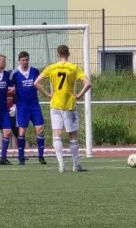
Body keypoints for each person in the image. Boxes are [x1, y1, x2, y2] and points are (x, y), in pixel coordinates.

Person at [34, 45, 92, 173]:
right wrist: (79, 95)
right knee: (73, 135)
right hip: (69, 104)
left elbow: (36, 83)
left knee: (57, 133)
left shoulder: (51, 68)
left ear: (57, 54)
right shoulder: (74, 68)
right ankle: (76, 165)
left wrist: (48, 94)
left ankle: (61, 164)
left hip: (55, 104)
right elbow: (88, 83)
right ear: (68, 54)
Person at [10, 51, 46, 165]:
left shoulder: (35, 71)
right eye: (23, 60)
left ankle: (41, 156)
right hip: (22, 106)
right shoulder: (14, 73)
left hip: (34, 105)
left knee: (40, 129)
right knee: (22, 130)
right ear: (19, 61)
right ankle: (21, 157)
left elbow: (39, 83)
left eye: (26, 60)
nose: (25, 62)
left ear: (29, 60)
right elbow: (10, 87)